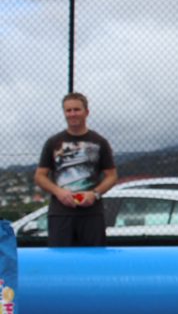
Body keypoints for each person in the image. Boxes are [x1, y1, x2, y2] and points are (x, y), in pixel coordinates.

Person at [34, 93, 118, 247]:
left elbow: (112, 176)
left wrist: (94, 194)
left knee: (93, 262)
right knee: (60, 263)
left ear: (86, 112)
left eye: (76, 110)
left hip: (91, 214)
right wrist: (59, 192)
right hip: (60, 215)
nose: (72, 114)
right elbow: (40, 176)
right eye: (68, 110)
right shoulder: (53, 142)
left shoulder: (99, 142)